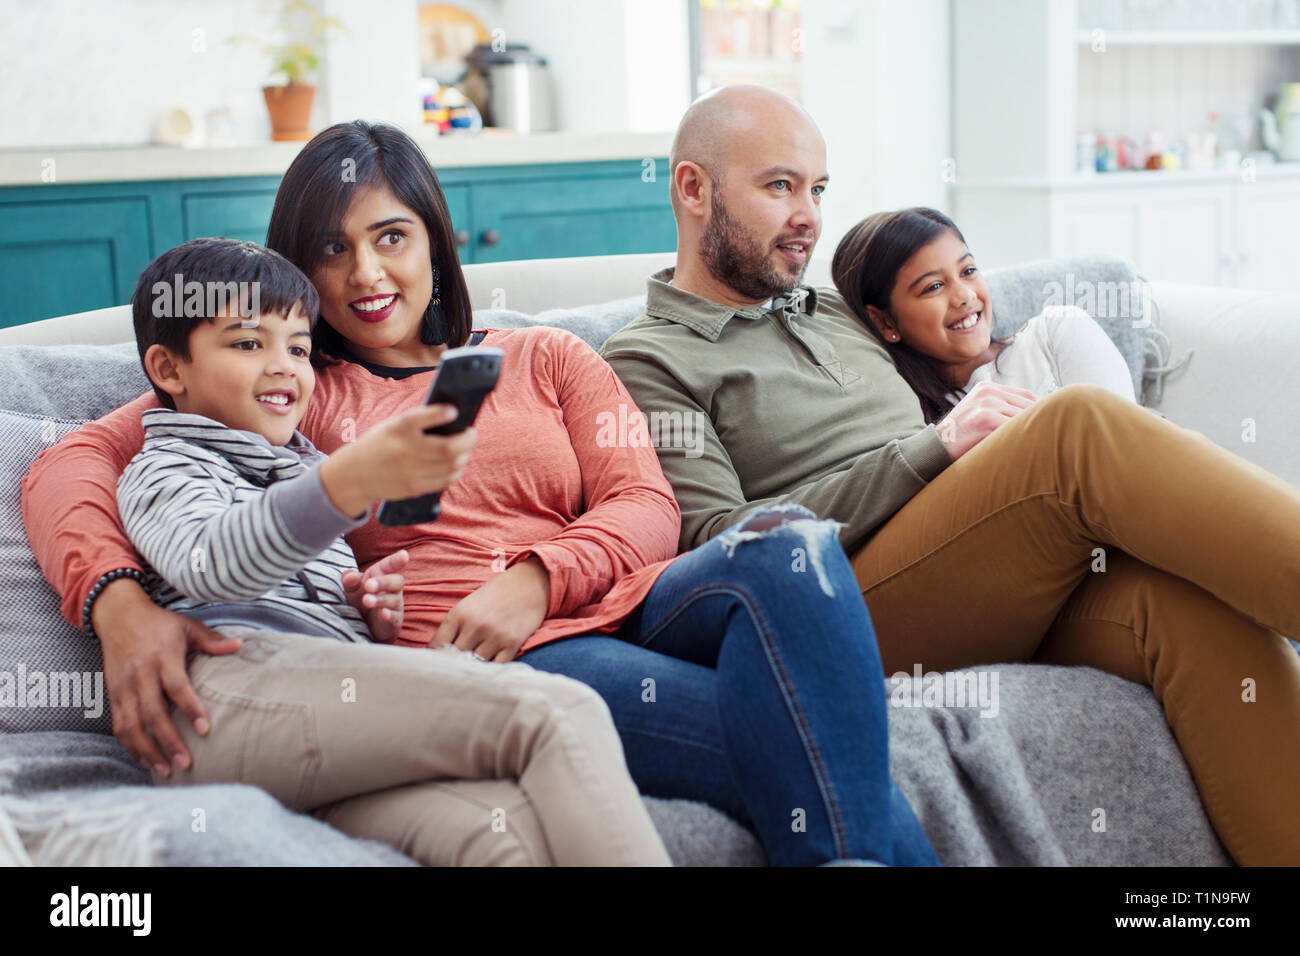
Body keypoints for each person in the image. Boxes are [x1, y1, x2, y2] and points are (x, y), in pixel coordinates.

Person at [21, 120, 939, 867]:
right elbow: (69, 464)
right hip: (506, 659)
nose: (366, 275)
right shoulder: (288, 385)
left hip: (613, 602)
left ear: (434, 240)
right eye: (331, 249)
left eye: (391, 238)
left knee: (789, 545)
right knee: (816, 743)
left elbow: (647, 505)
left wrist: (536, 576)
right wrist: (114, 600)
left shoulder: (546, 355)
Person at [598, 84, 1300, 866]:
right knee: (1071, 429)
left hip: (969, 563)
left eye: (818, 189)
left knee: (1185, 611)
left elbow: (954, 326)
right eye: (779, 186)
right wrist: (931, 451)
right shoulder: (646, 358)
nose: (809, 215)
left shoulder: (830, 309)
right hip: (838, 606)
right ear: (693, 188)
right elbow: (719, 542)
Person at [114, 236, 671, 867]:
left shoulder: (300, 467)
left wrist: (369, 613)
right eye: (248, 344)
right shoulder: (164, 466)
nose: (284, 367)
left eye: (298, 348)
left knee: (503, 838)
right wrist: (345, 482)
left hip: (315, 727)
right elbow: (215, 562)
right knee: (557, 711)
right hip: (222, 703)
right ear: (168, 370)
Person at [831, 206, 1136, 423]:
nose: (965, 295)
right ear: (884, 321)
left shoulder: (1057, 332)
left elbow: (1127, 440)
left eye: (969, 271)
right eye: (934, 286)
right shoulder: (924, 428)